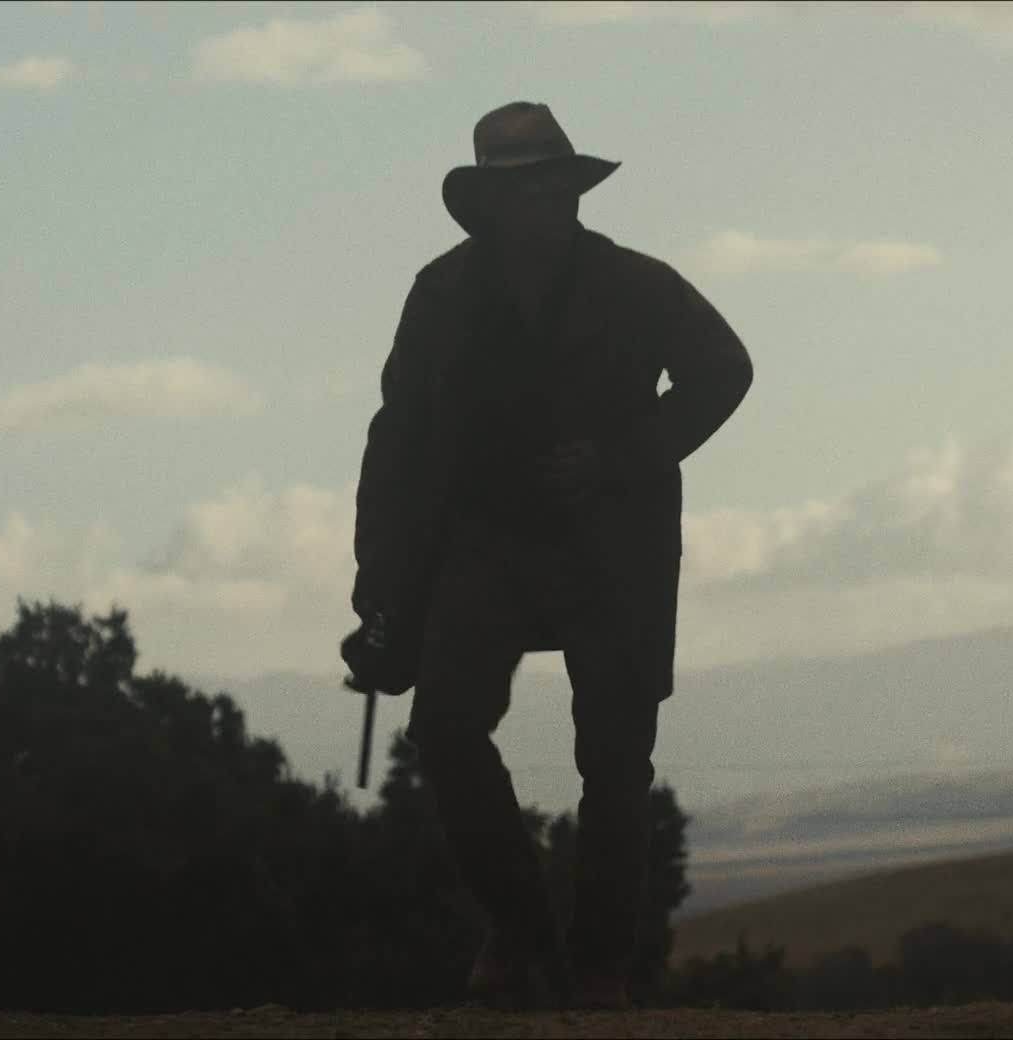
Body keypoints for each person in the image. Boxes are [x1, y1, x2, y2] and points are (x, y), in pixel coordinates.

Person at [342, 101, 753, 1011]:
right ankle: (520, 933)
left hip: (614, 549)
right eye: (520, 187)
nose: (540, 200)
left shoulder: (636, 284)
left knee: (615, 758)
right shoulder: (442, 293)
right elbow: (397, 435)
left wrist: (619, 458)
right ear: (489, 201)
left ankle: (599, 966)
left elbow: (725, 370)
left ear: (572, 189)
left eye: (550, 183)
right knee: (445, 727)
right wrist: (379, 577)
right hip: (481, 541)